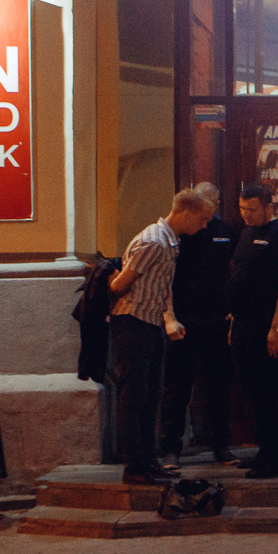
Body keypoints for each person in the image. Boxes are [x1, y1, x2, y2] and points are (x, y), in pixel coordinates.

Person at [108, 189, 214, 485]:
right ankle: (134, 466)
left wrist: (168, 318)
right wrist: (111, 282)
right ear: (186, 213)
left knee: (151, 395)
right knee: (134, 396)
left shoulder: (171, 242)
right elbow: (120, 284)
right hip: (133, 322)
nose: (204, 226)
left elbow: (162, 284)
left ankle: (148, 461)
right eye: (202, 220)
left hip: (151, 322)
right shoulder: (153, 241)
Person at [157, 182, 238, 468]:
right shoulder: (178, 233)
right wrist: (170, 316)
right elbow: (166, 277)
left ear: (216, 205)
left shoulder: (224, 231)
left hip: (217, 319)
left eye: (208, 208)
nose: (203, 216)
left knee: (219, 385)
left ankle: (221, 445)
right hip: (185, 318)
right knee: (177, 387)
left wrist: (232, 308)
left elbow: (233, 271)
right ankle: (170, 448)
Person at [227, 184, 278, 480]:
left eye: (252, 209)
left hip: (267, 323)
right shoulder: (246, 233)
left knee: (269, 390)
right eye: (242, 209)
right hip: (243, 322)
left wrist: (277, 327)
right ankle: (262, 450)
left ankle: (272, 456)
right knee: (252, 389)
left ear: (268, 206)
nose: (246, 215)